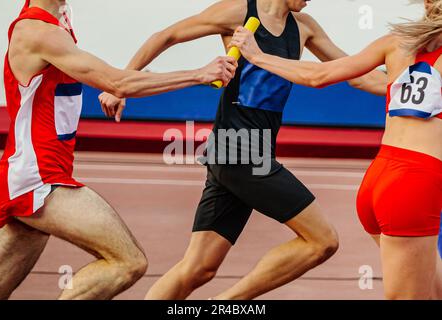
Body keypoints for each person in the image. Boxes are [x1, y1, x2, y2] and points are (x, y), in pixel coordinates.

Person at [100, 0, 387, 300]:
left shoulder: (305, 28)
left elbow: (355, 74)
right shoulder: (239, 12)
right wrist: (120, 85)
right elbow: (167, 35)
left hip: (253, 151)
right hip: (237, 149)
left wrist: (406, 83)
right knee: (322, 240)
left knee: (199, 268)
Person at [0, 0, 236, 300]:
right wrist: (198, 74)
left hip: (31, 174)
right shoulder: (37, 32)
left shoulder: (59, 17)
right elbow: (117, 82)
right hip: (38, 180)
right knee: (127, 262)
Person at [230, 0, 442, 300]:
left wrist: (258, 56)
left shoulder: (396, 43)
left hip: (379, 180)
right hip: (414, 185)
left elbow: (318, 76)